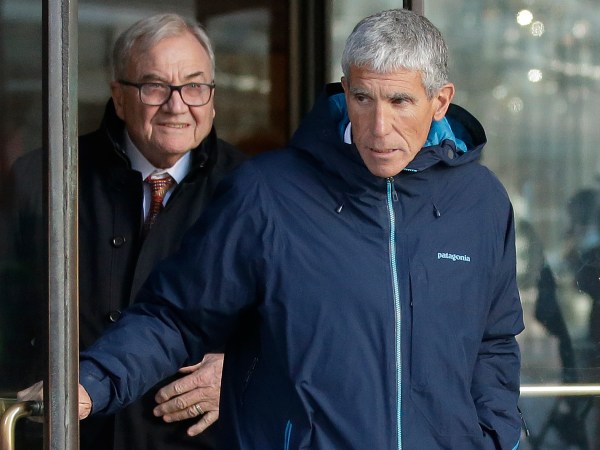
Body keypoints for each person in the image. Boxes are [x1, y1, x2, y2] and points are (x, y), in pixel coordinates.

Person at [21, 8, 524, 449]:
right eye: (362, 98)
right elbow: (176, 315)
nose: (378, 127)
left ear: (440, 101)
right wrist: (91, 382)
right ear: (345, 90)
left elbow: (494, 341)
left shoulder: (480, 202)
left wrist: (496, 436)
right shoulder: (268, 194)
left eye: (399, 101)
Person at [10, 13, 246, 450]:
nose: (177, 105)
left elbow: (300, 325)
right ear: (119, 97)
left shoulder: (254, 191)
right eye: (155, 86)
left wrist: (243, 372)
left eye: (194, 86)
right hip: (63, 437)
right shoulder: (41, 178)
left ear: (212, 98)